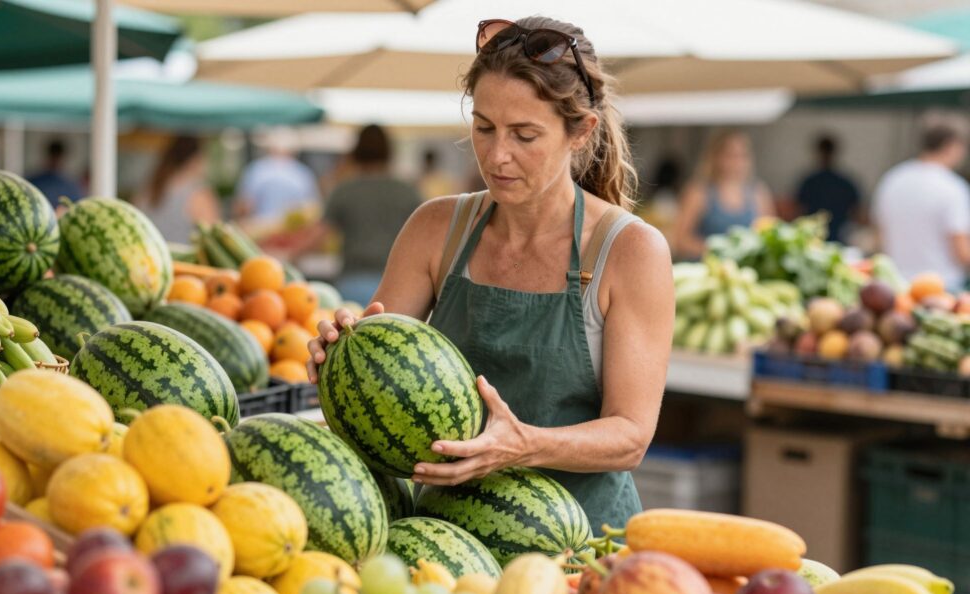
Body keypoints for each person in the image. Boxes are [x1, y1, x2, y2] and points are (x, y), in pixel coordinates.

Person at [307, 17, 675, 533]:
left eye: (525, 135)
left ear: (580, 133)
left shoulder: (630, 251)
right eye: (483, 128)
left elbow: (631, 436)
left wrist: (523, 445)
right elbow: (375, 373)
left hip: (581, 546)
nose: (497, 156)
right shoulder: (436, 228)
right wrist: (338, 355)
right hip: (443, 537)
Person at [288, 125, 423, 306]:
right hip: (397, 286)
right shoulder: (407, 191)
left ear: (356, 151)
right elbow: (424, 238)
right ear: (389, 151)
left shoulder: (345, 189)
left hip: (352, 284)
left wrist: (289, 258)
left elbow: (318, 234)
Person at [872, 121, 970, 289]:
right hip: (943, 286)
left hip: (897, 284)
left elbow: (879, 235)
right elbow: (961, 250)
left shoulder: (893, 179)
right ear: (951, 146)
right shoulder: (953, 187)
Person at [670, 130, 776, 260]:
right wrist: (719, 250)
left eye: (742, 155)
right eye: (730, 155)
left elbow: (770, 235)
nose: (736, 161)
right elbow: (680, 240)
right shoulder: (699, 192)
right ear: (715, 157)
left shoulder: (759, 193)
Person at [134, 135, 221, 244]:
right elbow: (215, 240)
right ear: (195, 158)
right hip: (183, 260)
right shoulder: (199, 194)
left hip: (149, 259)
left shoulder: (148, 188)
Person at [234, 127, 321, 222]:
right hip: (291, 230)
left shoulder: (256, 170)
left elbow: (243, 206)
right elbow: (312, 209)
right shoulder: (303, 173)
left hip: (259, 228)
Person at [794, 134, 861, 243]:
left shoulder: (810, 182)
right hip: (830, 239)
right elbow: (857, 213)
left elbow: (797, 211)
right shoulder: (844, 182)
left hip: (821, 238)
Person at [28, 139, 84, 209]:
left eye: (57, 157)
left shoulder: (71, 185)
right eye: (54, 157)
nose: (56, 161)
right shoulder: (70, 185)